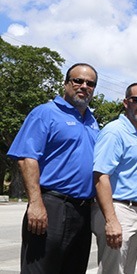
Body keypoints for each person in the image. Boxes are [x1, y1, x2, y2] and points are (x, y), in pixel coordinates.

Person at [8, 63, 99, 273]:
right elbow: (27, 158)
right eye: (78, 81)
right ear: (66, 83)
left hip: (83, 211)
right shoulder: (45, 113)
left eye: (90, 83)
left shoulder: (93, 122)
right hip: (52, 205)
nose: (84, 86)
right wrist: (36, 204)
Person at [91, 82, 137, 273]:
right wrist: (111, 220)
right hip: (117, 209)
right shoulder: (114, 131)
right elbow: (101, 176)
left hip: (135, 210)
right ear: (126, 102)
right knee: (112, 270)